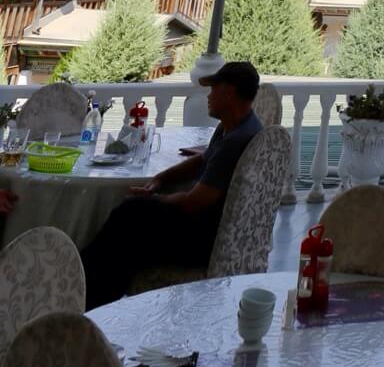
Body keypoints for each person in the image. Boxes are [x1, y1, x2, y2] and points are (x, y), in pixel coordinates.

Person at [81, 61, 263, 308]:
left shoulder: (235, 142)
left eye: (213, 89)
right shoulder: (239, 127)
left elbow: (193, 203)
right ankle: (89, 293)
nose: (208, 96)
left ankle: (84, 298)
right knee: (128, 228)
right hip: (213, 232)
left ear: (229, 92)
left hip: (203, 241)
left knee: (127, 220)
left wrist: (151, 201)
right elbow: (203, 159)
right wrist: (161, 179)